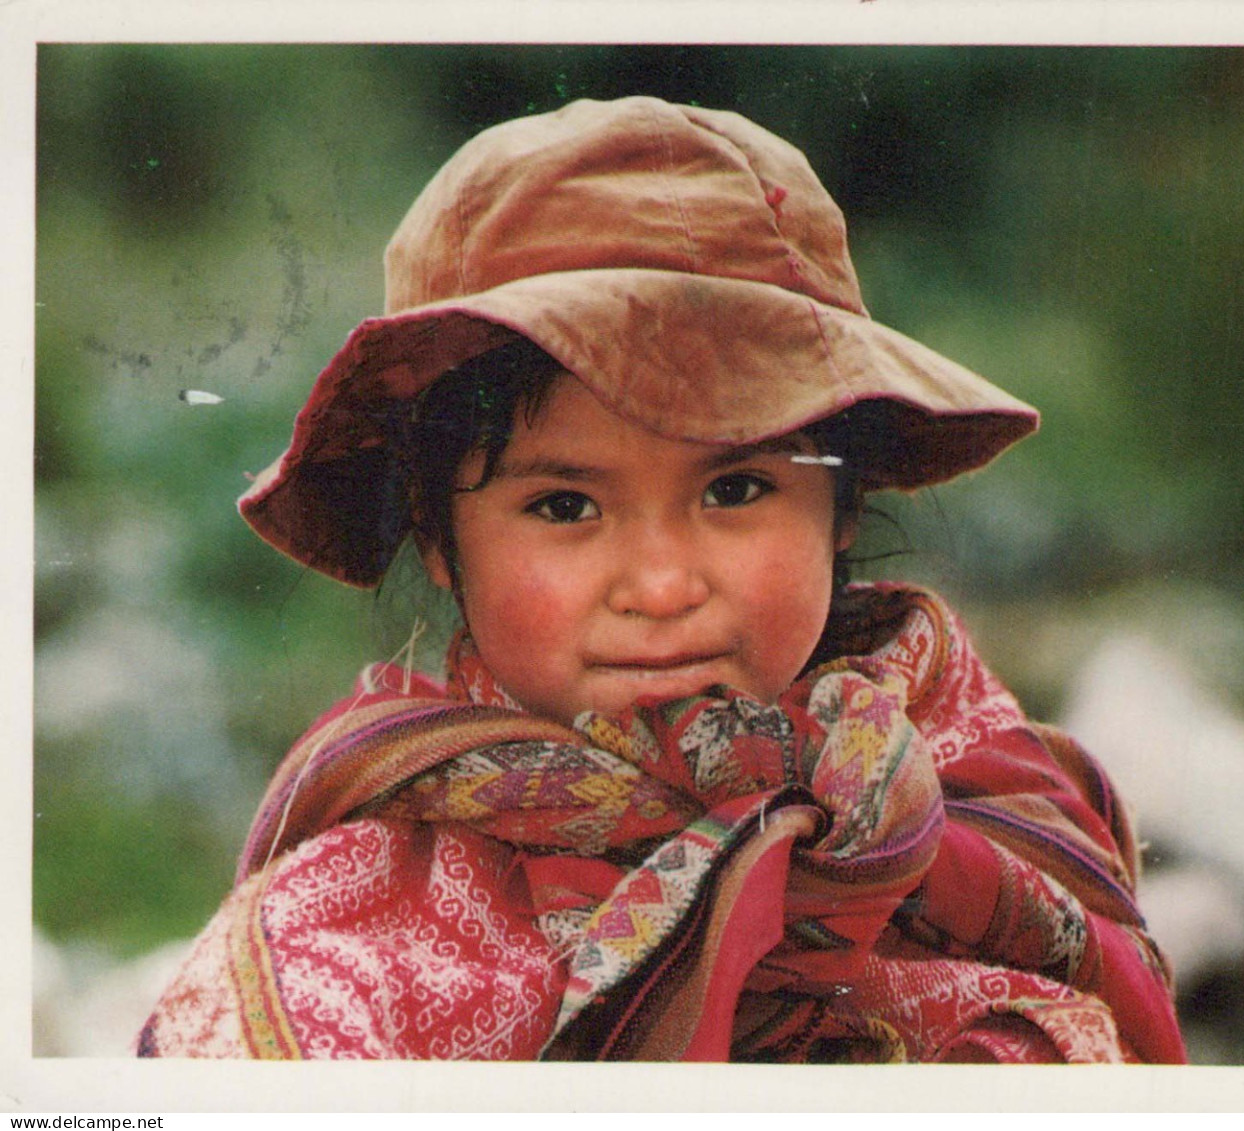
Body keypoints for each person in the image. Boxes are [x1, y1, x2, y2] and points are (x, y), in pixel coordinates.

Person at [137, 95, 1186, 1063]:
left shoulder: (987, 803)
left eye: (732, 489)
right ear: (441, 544)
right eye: (563, 507)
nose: (660, 582)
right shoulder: (349, 933)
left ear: (843, 508)